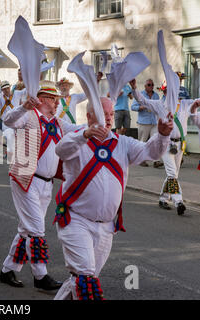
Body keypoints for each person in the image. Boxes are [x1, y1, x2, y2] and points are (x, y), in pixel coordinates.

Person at [53, 97, 173, 300]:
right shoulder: (77, 138)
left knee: (82, 280)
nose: (108, 119)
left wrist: (161, 135)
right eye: (103, 114)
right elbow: (61, 150)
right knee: (85, 274)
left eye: (111, 114)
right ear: (89, 116)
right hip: (76, 221)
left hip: (106, 227)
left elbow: (150, 152)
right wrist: (85, 134)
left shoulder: (122, 143)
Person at [0, 81, 82, 291]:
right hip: (26, 179)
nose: (56, 103)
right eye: (53, 99)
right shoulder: (28, 116)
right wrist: (24, 107)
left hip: (46, 183)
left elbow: (78, 130)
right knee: (36, 229)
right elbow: (8, 120)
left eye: (56, 100)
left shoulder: (58, 123)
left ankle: (8, 269)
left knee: (27, 229)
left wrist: (94, 125)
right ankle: (40, 276)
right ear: (43, 99)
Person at [130, 78, 198, 215]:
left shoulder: (184, 103)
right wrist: (134, 88)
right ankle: (178, 201)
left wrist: (196, 104)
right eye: (167, 91)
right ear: (165, 91)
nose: (170, 93)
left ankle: (163, 197)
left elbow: (195, 105)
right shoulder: (159, 104)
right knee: (172, 173)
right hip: (165, 143)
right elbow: (142, 101)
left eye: (172, 91)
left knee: (173, 174)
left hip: (180, 144)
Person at [131, 79, 160, 167]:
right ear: (145, 86)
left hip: (154, 122)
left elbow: (158, 106)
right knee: (142, 143)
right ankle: (141, 160)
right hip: (143, 122)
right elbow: (133, 107)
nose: (151, 86)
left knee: (155, 141)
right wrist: (141, 107)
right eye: (149, 85)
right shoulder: (140, 95)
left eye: (152, 85)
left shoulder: (156, 95)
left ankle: (156, 161)